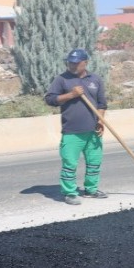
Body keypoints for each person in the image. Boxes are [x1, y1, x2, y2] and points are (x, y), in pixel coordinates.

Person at [43, 48, 108, 206]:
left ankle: (91, 190)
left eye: (76, 63)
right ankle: (69, 193)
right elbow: (50, 100)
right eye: (70, 62)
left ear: (85, 62)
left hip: (93, 130)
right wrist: (71, 95)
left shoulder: (95, 79)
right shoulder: (62, 79)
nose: (72, 66)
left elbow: (102, 103)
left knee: (94, 162)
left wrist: (100, 120)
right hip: (72, 131)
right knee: (70, 164)